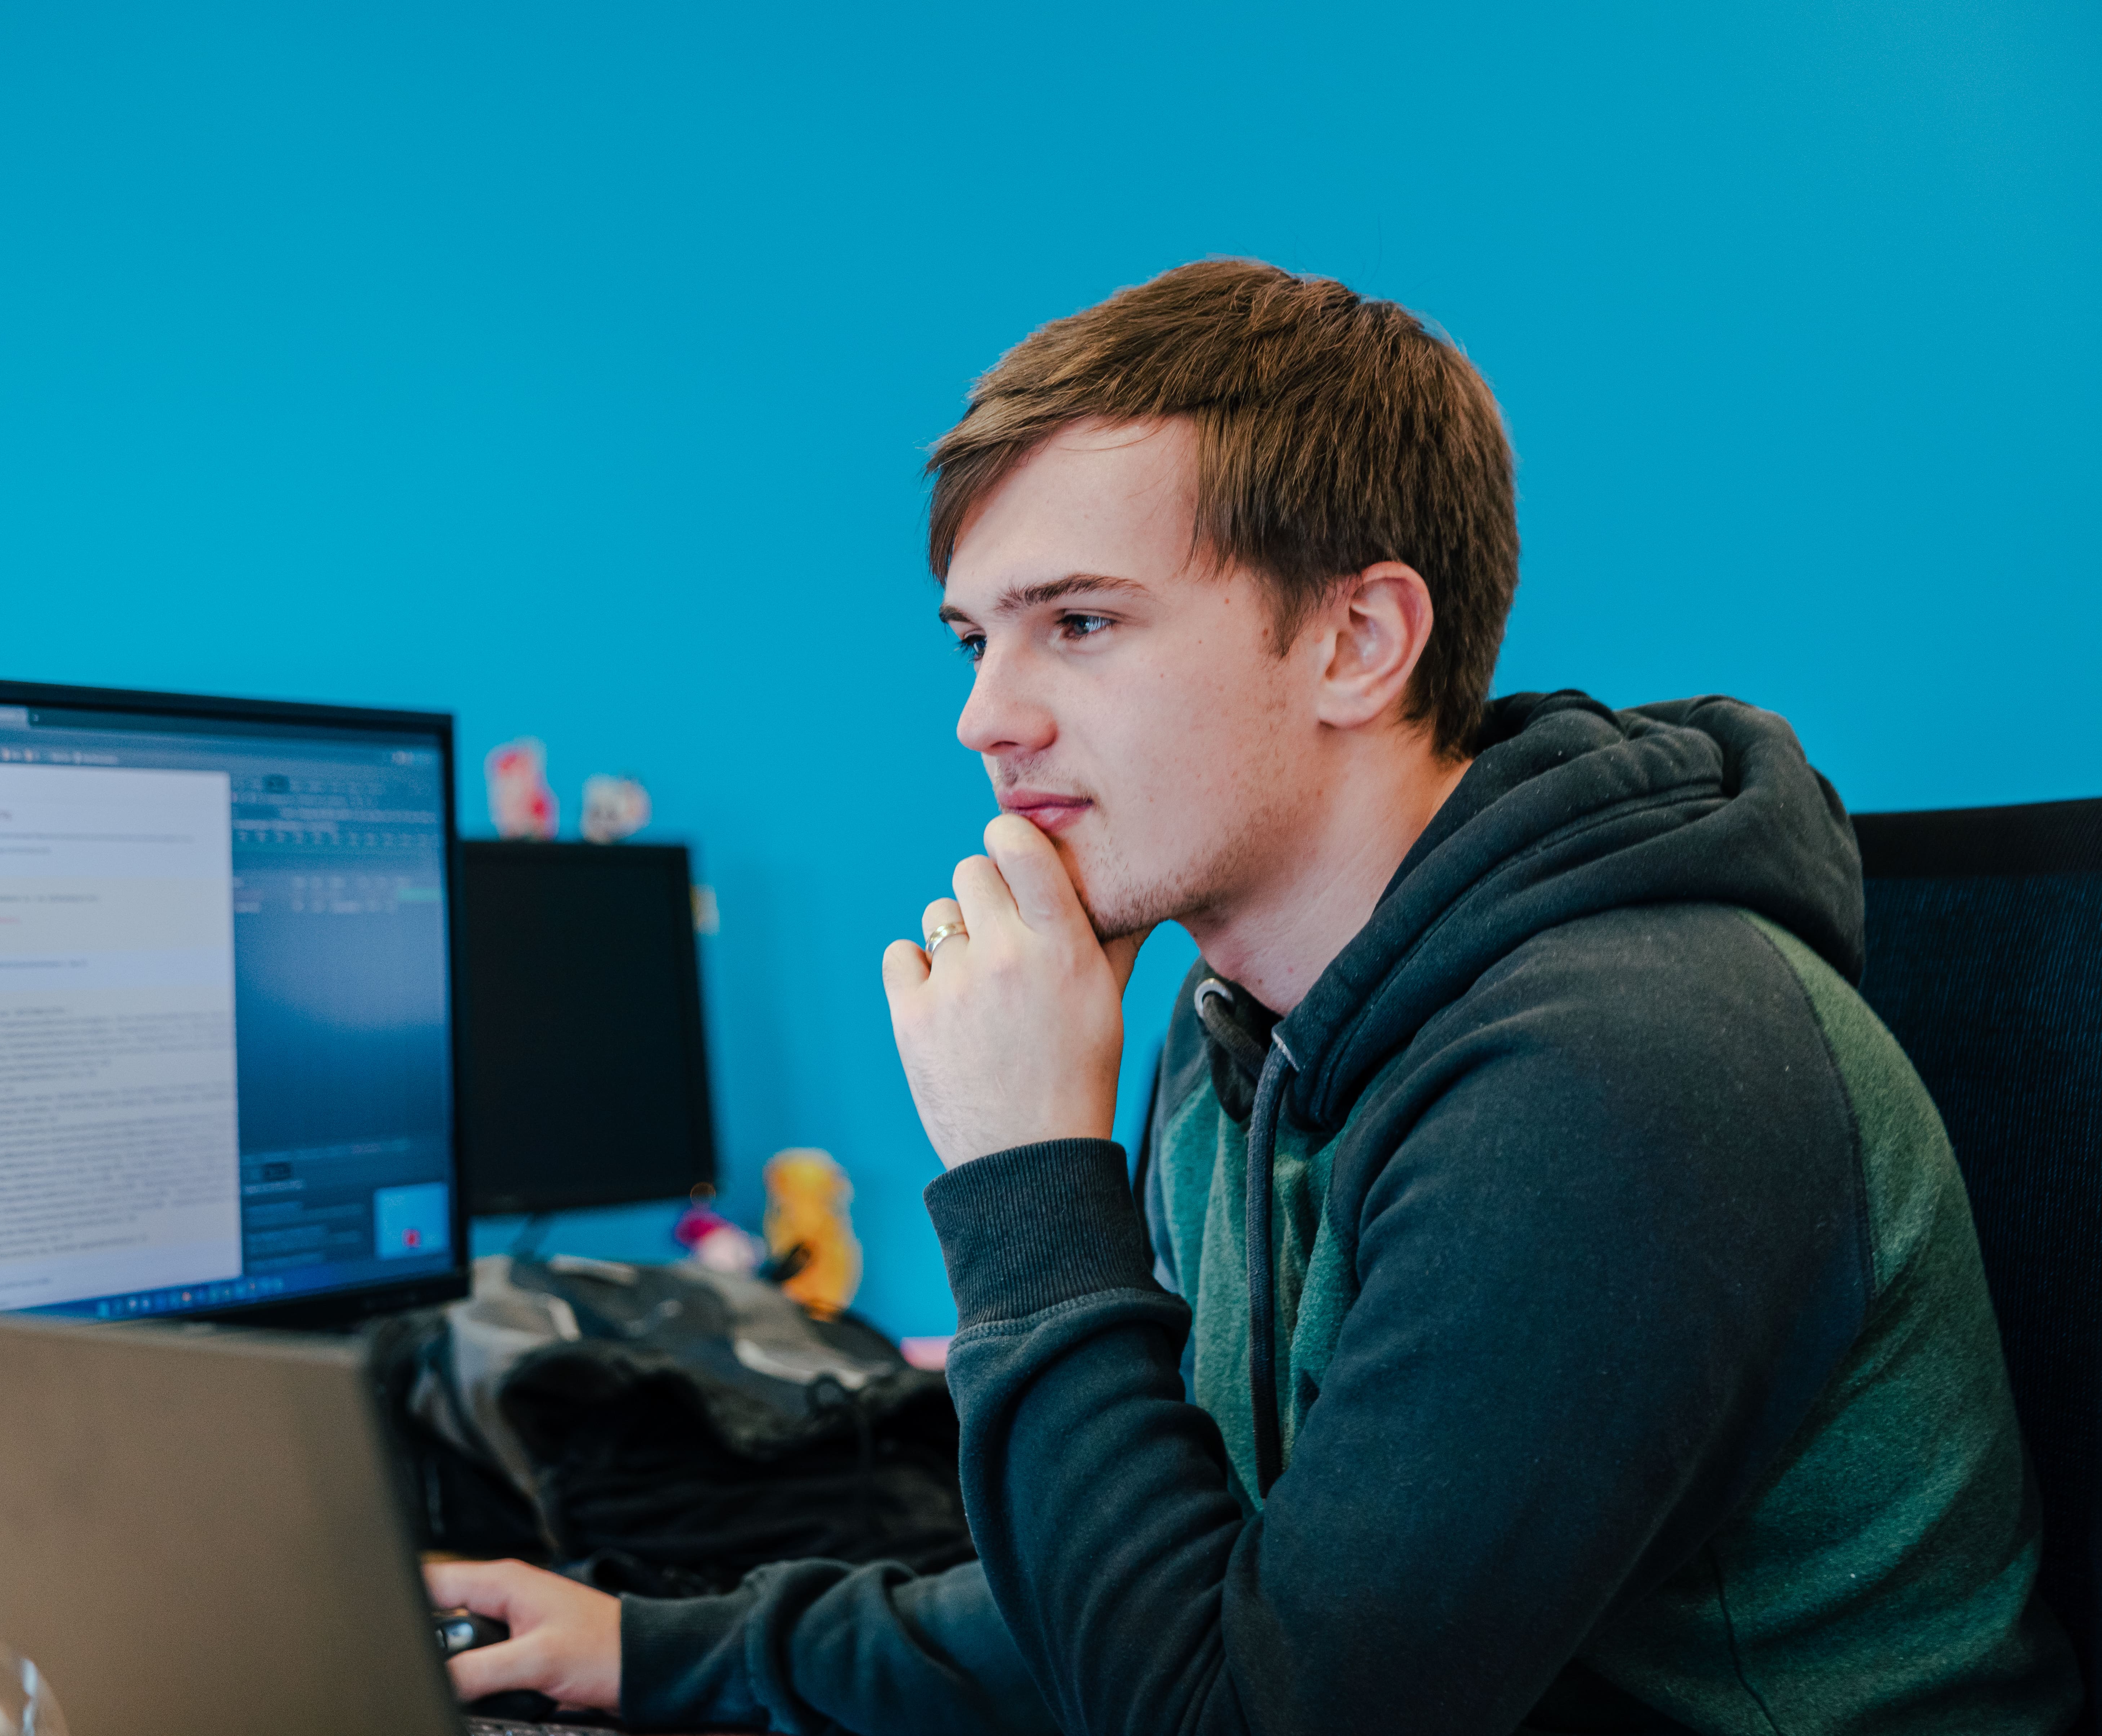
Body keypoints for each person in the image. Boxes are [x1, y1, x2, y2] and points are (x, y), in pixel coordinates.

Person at [426, 259, 2084, 1734]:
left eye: (1076, 623)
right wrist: (667, 1651)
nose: (984, 720)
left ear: (1358, 640)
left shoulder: (1614, 1070)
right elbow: (1151, 1600)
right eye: (970, 642)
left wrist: (1024, 1182)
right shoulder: (1244, 1030)